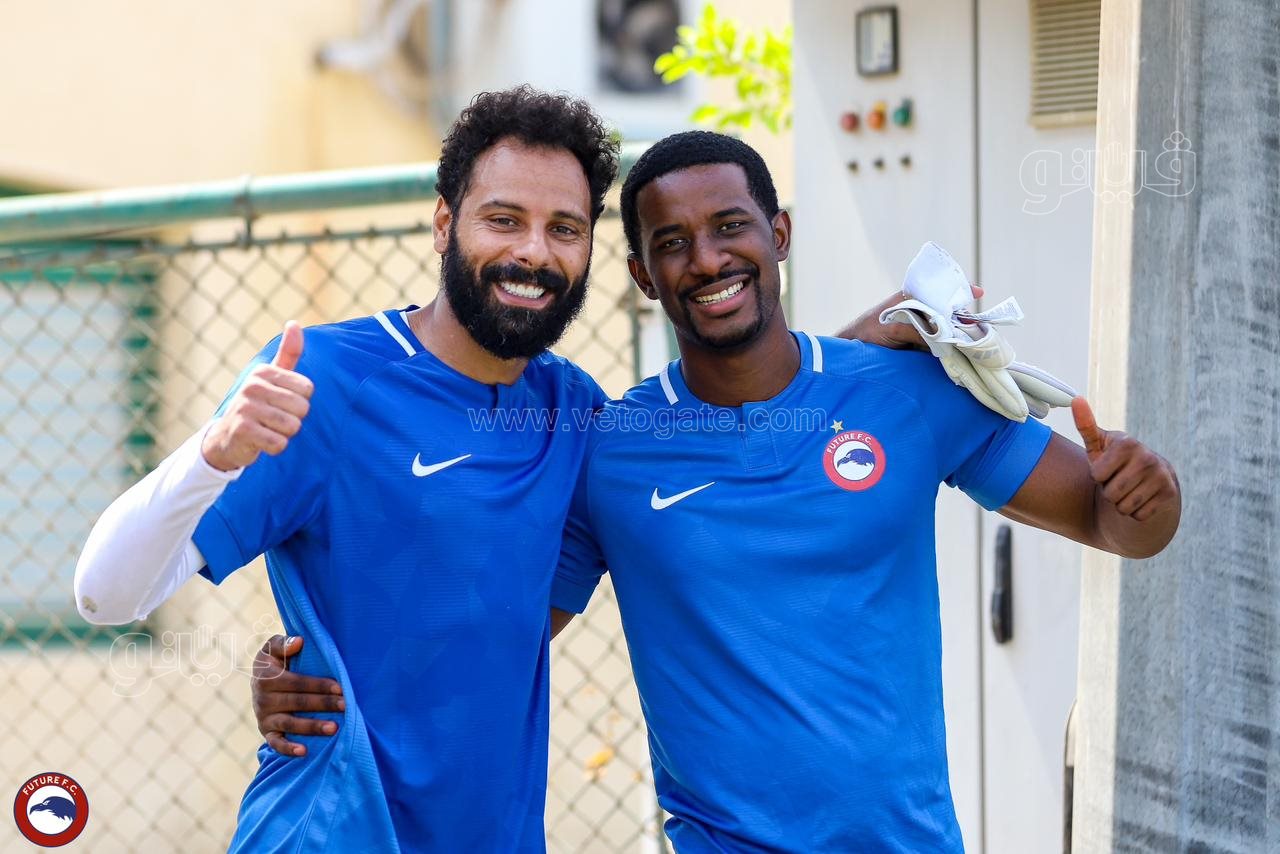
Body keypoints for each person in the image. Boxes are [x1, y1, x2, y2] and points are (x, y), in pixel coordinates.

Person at [254, 131, 1180, 852]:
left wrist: (1149, 496)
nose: (706, 259)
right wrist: (307, 675)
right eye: (672, 243)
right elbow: (487, 633)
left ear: (779, 235)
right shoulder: (610, 449)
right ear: (642, 276)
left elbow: (1115, 525)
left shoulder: (907, 394)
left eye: (731, 227)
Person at [74, 86, 618, 853]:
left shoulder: (576, 415)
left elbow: (508, 621)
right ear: (443, 224)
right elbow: (104, 595)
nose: (533, 252)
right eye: (503, 219)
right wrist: (210, 456)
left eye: (564, 228)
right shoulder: (325, 379)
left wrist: (340, 658)